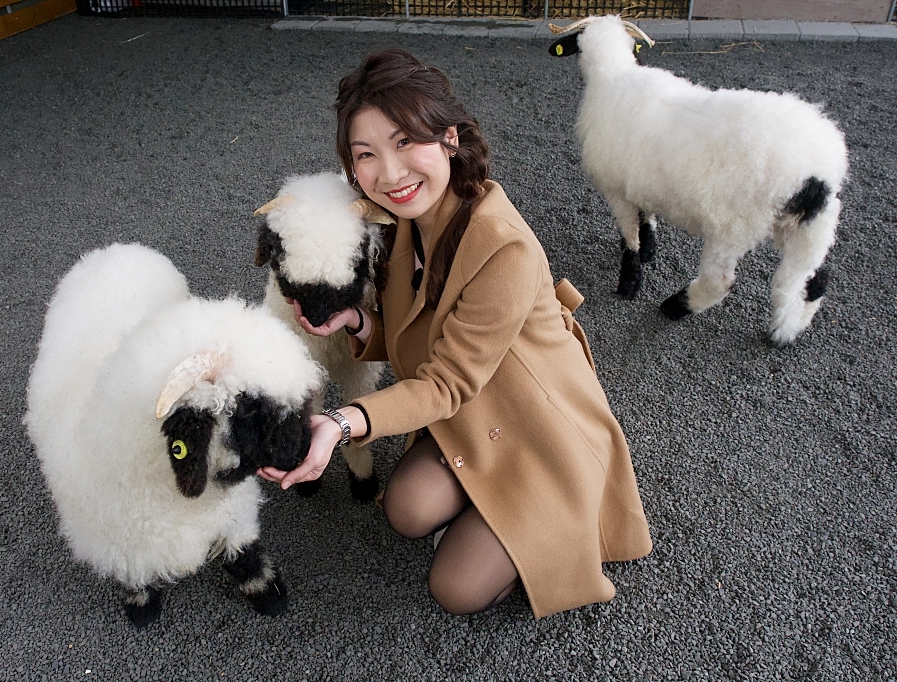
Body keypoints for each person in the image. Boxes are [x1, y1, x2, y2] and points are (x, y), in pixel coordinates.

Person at [258, 49, 652, 618]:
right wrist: (358, 321)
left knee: (457, 590)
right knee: (406, 511)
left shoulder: (502, 245)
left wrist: (341, 423)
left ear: (448, 138)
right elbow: (412, 332)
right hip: (469, 413)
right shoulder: (399, 223)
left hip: (533, 428)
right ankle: (484, 508)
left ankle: (546, 526)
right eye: (366, 154)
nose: (389, 174)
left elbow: (443, 385)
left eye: (403, 142)